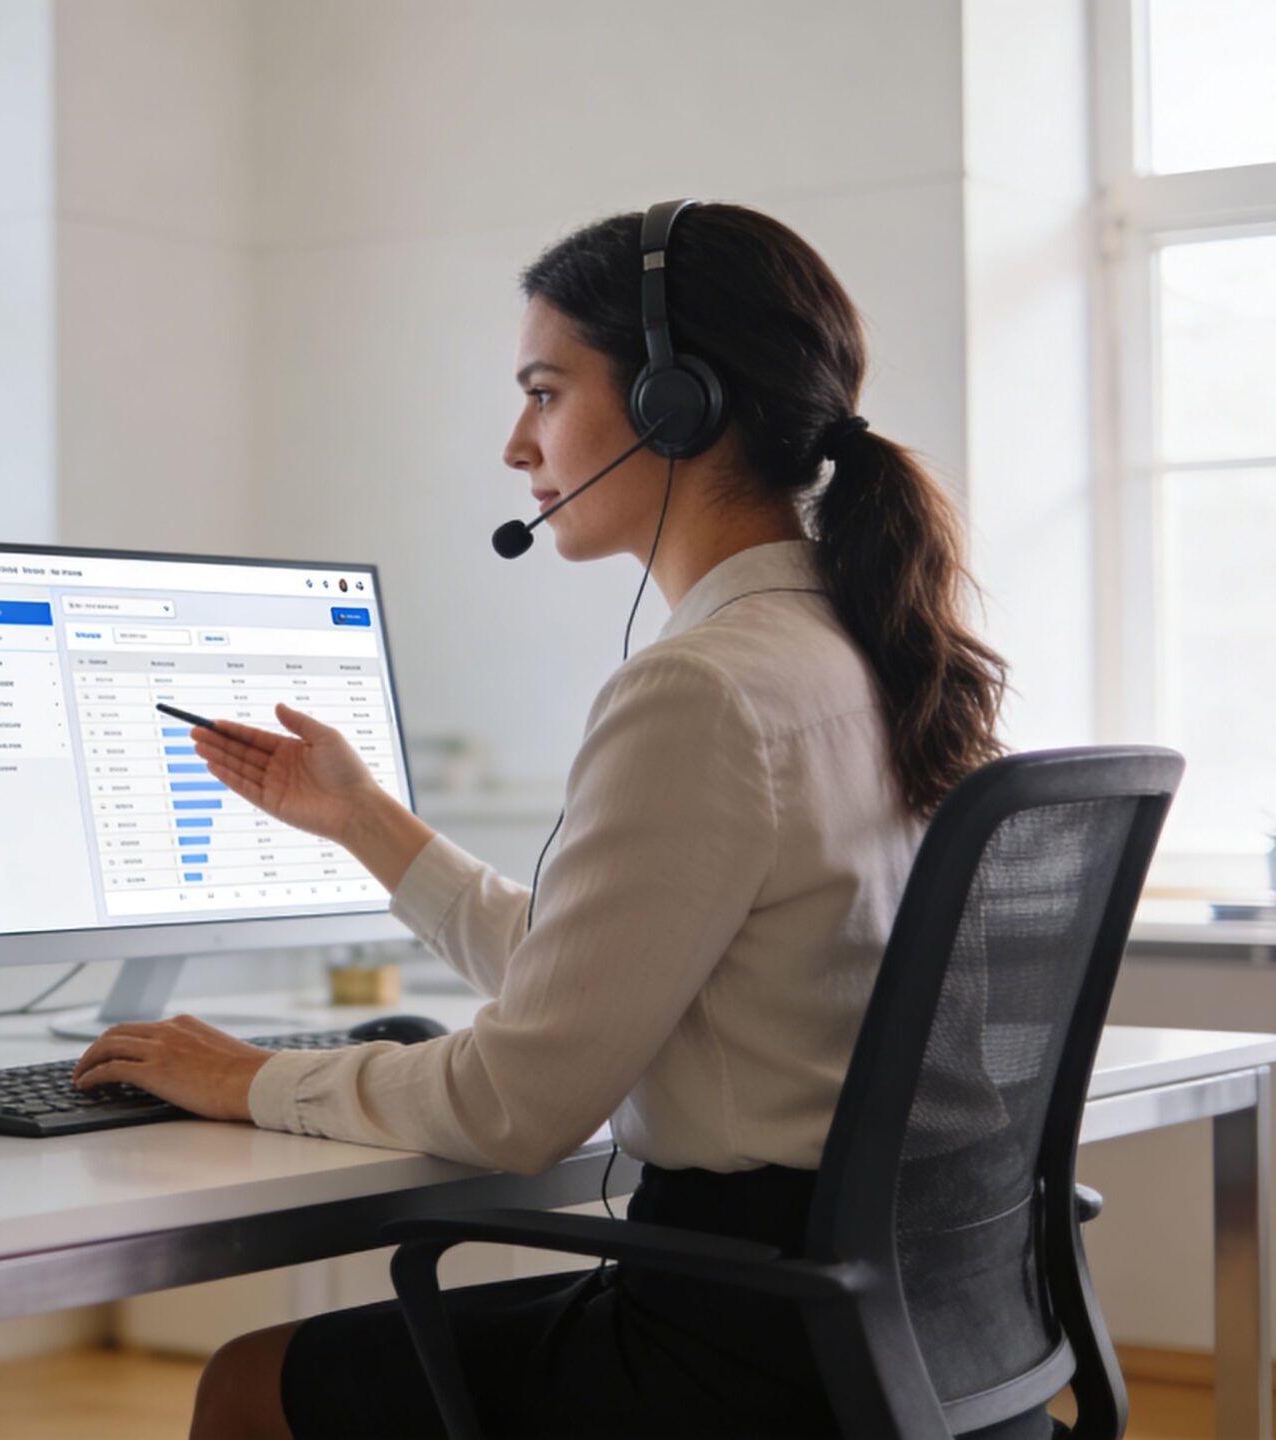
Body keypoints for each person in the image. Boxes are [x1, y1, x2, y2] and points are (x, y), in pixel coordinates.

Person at [70, 203, 1014, 1438]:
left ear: (679, 405)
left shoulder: (702, 686)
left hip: (746, 1352)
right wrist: (368, 825)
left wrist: (251, 1077)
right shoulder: (862, 653)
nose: (518, 443)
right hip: (916, 1321)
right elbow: (615, 977)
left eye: (545, 389)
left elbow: (514, 1105)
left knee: (250, 1386)